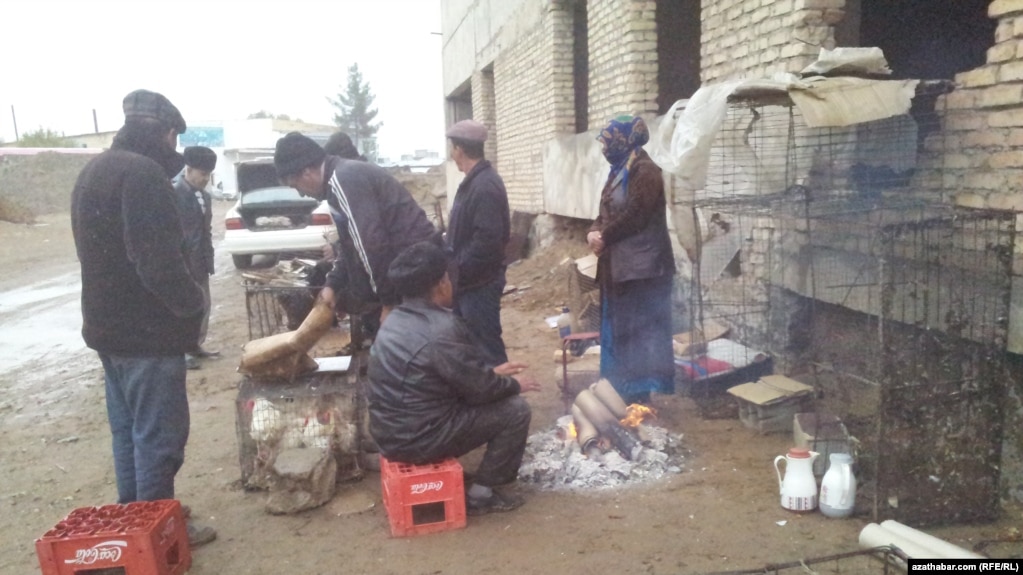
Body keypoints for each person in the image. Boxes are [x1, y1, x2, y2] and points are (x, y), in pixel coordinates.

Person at [70, 89, 217, 547]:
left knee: (129, 434)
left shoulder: (93, 170)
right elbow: (157, 263)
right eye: (175, 139)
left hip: (106, 331)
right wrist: (194, 306)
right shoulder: (145, 176)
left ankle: (135, 521)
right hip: (147, 335)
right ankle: (158, 531)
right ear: (168, 132)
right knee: (159, 438)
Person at [367, 241, 541, 515]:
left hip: (388, 433)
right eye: (448, 277)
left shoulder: (394, 321)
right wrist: (513, 384)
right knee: (516, 410)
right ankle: (482, 495)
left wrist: (492, 373)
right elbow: (481, 390)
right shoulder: (443, 328)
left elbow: (434, 377)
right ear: (440, 285)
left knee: (495, 396)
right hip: (417, 439)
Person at [273, 131, 438, 324]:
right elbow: (351, 244)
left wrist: (388, 303)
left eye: (296, 186)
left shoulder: (344, 179)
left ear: (306, 173)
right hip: (407, 271)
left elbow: (371, 244)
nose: (301, 194)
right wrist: (332, 285)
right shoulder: (337, 184)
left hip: (419, 274)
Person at [587, 115, 676, 405]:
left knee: (639, 332)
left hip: (643, 270)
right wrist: (593, 232)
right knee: (621, 331)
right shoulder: (618, 170)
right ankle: (621, 390)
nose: (605, 146)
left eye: (609, 140)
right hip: (620, 267)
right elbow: (604, 212)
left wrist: (604, 236)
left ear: (624, 139)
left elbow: (636, 215)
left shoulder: (645, 170)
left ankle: (638, 396)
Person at [445, 120, 511, 366]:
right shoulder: (474, 182)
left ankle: (507, 402)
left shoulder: (484, 186)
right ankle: (488, 400)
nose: (452, 155)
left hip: (480, 284)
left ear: (460, 150)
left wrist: (456, 268)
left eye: (453, 148)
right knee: (473, 348)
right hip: (469, 283)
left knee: (487, 348)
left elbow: (487, 242)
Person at [173, 146, 219, 370]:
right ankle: (180, 350)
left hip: (200, 262)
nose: (206, 179)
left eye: (209, 175)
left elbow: (205, 231)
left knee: (203, 305)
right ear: (188, 170)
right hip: (181, 263)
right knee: (183, 307)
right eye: (202, 174)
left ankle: (194, 345)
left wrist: (208, 260)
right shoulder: (173, 193)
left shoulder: (206, 197)